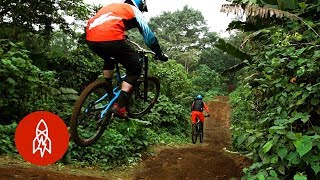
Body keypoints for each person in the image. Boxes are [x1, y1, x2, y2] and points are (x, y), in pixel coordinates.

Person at [85, 0, 168, 119]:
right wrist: (159, 53)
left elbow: (104, 24)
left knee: (110, 58)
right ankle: (119, 107)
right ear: (139, 5)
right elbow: (149, 37)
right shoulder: (134, 10)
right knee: (135, 69)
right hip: (112, 38)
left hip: (91, 39)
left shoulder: (112, 7)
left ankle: (107, 86)